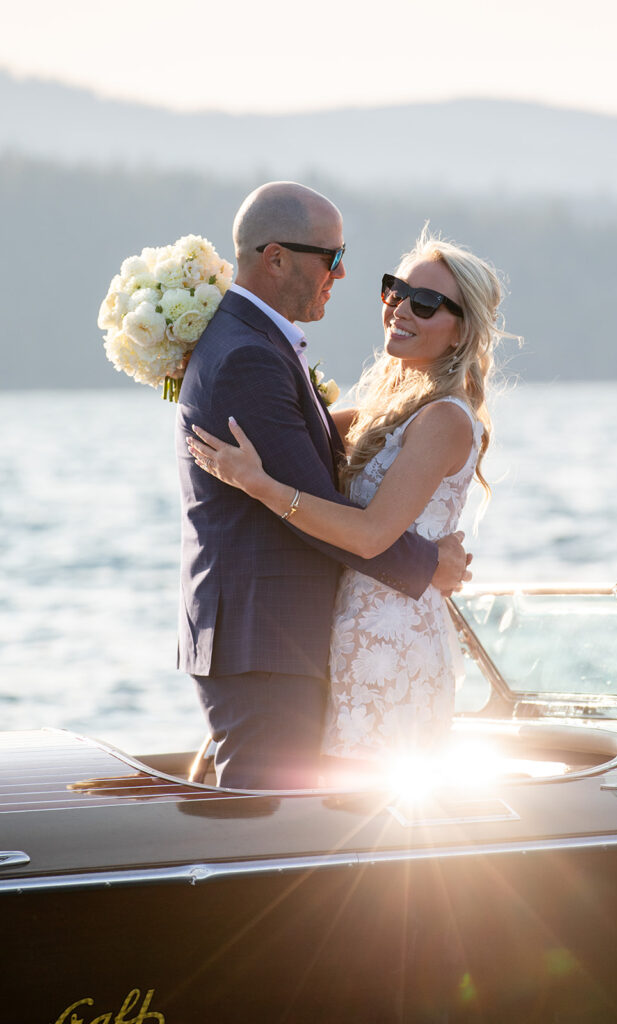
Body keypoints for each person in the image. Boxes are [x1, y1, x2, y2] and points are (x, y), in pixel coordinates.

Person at [176, 183, 472, 790]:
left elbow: (318, 455)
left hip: (300, 642)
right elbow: (332, 520)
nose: (344, 274)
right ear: (276, 257)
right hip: (267, 645)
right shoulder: (247, 357)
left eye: (423, 301)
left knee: (316, 836)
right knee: (270, 843)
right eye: (332, 258)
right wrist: (429, 563)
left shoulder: (250, 342)